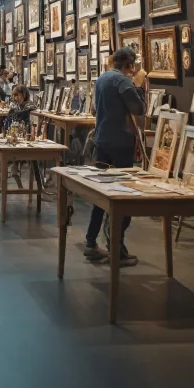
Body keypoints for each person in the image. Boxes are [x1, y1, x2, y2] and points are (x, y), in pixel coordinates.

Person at [84, 47, 146, 266]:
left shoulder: (102, 79)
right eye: (132, 67)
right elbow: (139, 109)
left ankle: (91, 242)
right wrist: (138, 85)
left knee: (100, 195)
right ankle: (116, 249)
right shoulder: (123, 81)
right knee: (122, 197)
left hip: (102, 142)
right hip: (120, 144)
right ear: (129, 66)